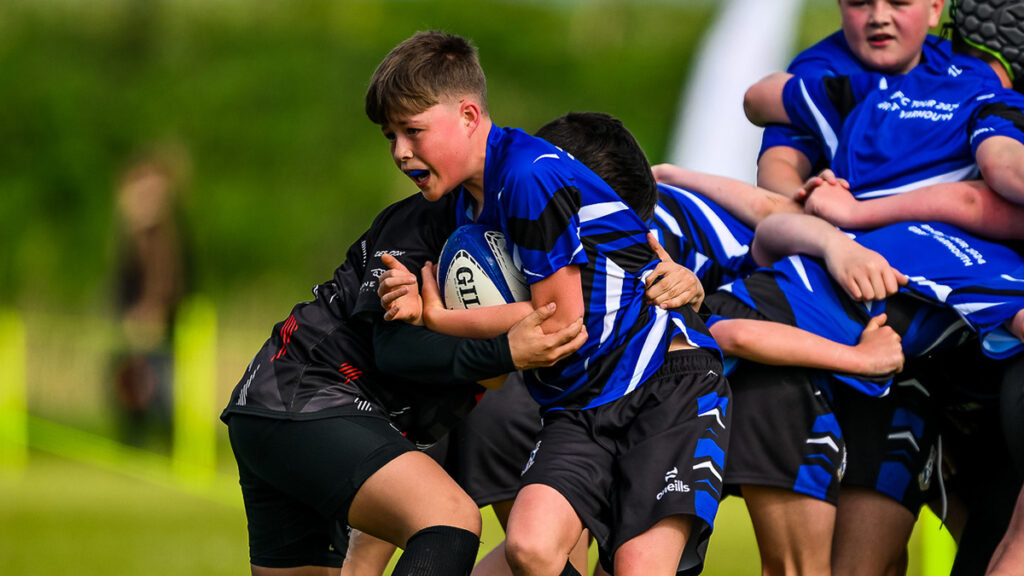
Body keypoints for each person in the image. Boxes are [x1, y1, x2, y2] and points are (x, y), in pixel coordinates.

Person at [367, 31, 729, 576]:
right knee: (531, 548)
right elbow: (507, 361)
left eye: (413, 131)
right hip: (581, 400)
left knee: (637, 568)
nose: (400, 151)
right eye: (390, 135)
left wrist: (439, 317)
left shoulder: (527, 176)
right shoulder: (471, 209)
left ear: (469, 115)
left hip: (664, 380)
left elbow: (559, 323)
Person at [221, 183, 589, 575]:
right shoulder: (432, 222)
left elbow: (492, 377)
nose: (402, 152)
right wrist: (505, 350)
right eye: (395, 135)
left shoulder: (540, 235)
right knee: (447, 519)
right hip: (309, 397)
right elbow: (395, 351)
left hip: (274, 402)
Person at [111, 149, 190, 449]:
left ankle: (170, 443)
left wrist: (153, 311)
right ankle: (135, 440)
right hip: (131, 320)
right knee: (130, 383)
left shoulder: (168, 231)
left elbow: (169, 279)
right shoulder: (130, 231)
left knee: (161, 383)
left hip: (159, 321)